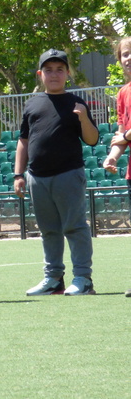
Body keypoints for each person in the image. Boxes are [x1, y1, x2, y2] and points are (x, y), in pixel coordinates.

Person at [14, 49, 99, 296]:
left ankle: (83, 279)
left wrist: (83, 118)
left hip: (68, 175)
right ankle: (53, 279)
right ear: (40, 74)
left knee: (74, 227)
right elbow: (24, 140)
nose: (54, 74)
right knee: (48, 230)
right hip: (37, 178)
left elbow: (92, 140)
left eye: (59, 69)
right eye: (48, 70)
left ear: (67, 74)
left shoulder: (77, 103)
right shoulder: (32, 103)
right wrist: (18, 175)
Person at [102, 37, 131, 297]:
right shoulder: (123, 93)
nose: (129, 58)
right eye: (125, 54)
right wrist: (113, 156)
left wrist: (125, 137)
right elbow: (121, 135)